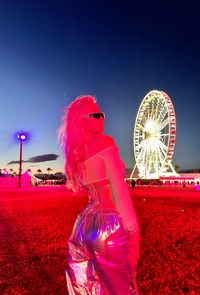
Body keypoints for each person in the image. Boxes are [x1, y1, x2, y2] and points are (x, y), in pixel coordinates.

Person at [58, 95, 140, 294]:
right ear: (81, 121)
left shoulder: (76, 153)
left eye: (101, 114)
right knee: (120, 287)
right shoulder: (105, 143)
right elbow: (119, 191)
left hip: (82, 225)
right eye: (95, 115)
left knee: (85, 286)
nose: (101, 117)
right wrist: (134, 230)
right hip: (108, 226)